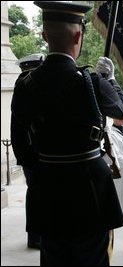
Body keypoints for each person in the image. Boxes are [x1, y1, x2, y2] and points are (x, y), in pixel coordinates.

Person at [10, 2, 123, 265]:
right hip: (90, 187)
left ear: (44, 36)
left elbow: (20, 146)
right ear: (78, 36)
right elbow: (121, 110)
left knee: (54, 257)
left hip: (48, 185)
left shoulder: (25, 84)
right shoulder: (90, 81)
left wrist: (45, 171)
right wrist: (109, 79)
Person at [12, 53, 45, 250]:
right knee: (36, 194)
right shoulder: (25, 85)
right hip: (33, 153)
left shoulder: (23, 84)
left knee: (35, 193)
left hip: (28, 153)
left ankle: (35, 235)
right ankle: (35, 236)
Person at [105, 117, 123, 219]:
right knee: (118, 195)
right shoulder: (111, 133)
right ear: (113, 118)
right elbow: (115, 155)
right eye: (120, 117)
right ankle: (117, 218)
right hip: (120, 168)